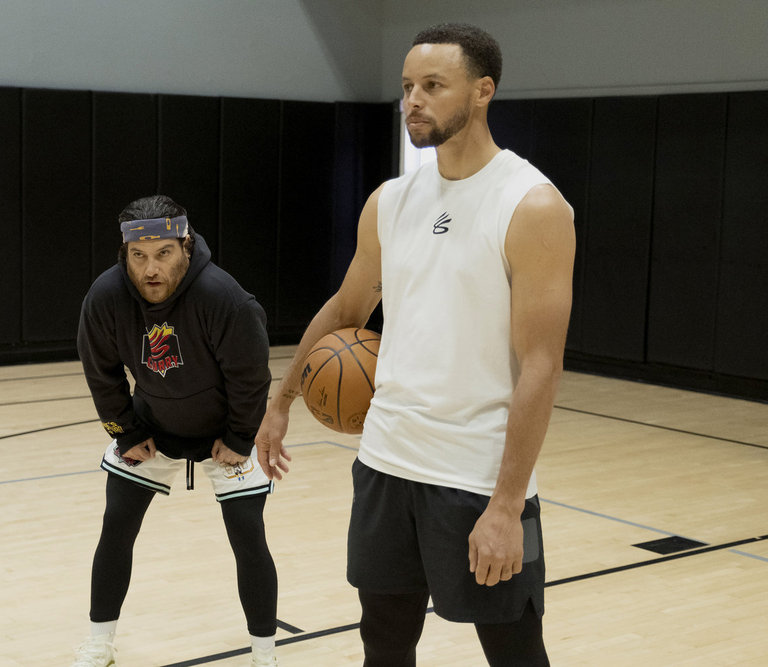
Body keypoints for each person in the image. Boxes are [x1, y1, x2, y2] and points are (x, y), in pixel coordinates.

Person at [256, 23, 575, 667]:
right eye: (407, 88)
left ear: (482, 91)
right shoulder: (390, 201)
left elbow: (541, 364)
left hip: (474, 477)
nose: (413, 101)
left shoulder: (531, 205)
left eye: (433, 85)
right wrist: (281, 398)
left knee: (514, 650)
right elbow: (347, 309)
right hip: (385, 463)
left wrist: (507, 505)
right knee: (385, 644)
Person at [73, 195, 280, 667]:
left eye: (163, 253)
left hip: (226, 436)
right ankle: (99, 645)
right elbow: (99, 371)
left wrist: (240, 439)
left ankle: (264, 656)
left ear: (185, 245)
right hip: (152, 428)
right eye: (138, 256)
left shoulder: (223, 297)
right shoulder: (105, 298)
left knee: (249, 538)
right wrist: (125, 432)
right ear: (124, 253)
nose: (150, 269)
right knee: (116, 529)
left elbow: (251, 377)